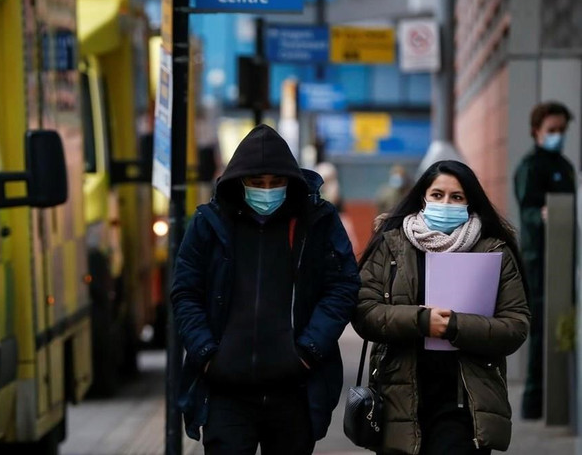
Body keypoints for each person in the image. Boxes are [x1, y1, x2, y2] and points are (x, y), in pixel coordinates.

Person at [171, 124, 360, 455]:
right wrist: (207, 355)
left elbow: (342, 286)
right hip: (226, 391)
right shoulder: (209, 223)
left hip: (294, 391)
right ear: (239, 182)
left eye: (276, 183)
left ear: (291, 181)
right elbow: (185, 292)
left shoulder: (317, 221)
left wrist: (308, 351)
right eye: (257, 183)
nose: (267, 191)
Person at [355, 160, 530, 455]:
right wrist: (422, 321)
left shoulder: (493, 250)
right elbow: (364, 311)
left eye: (456, 197)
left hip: (465, 402)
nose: (446, 203)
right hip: (399, 397)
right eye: (437, 195)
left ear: (470, 202)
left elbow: (515, 326)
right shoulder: (390, 245)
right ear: (423, 197)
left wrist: (454, 326)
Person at [514, 101, 575, 419]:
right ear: (536, 131)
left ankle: (560, 395)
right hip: (540, 260)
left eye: (562, 130)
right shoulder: (531, 167)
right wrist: (543, 216)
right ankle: (534, 402)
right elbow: (528, 212)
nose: (558, 135)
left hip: (564, 258)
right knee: (540, 330)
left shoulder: (564, 166)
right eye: (552, 130)